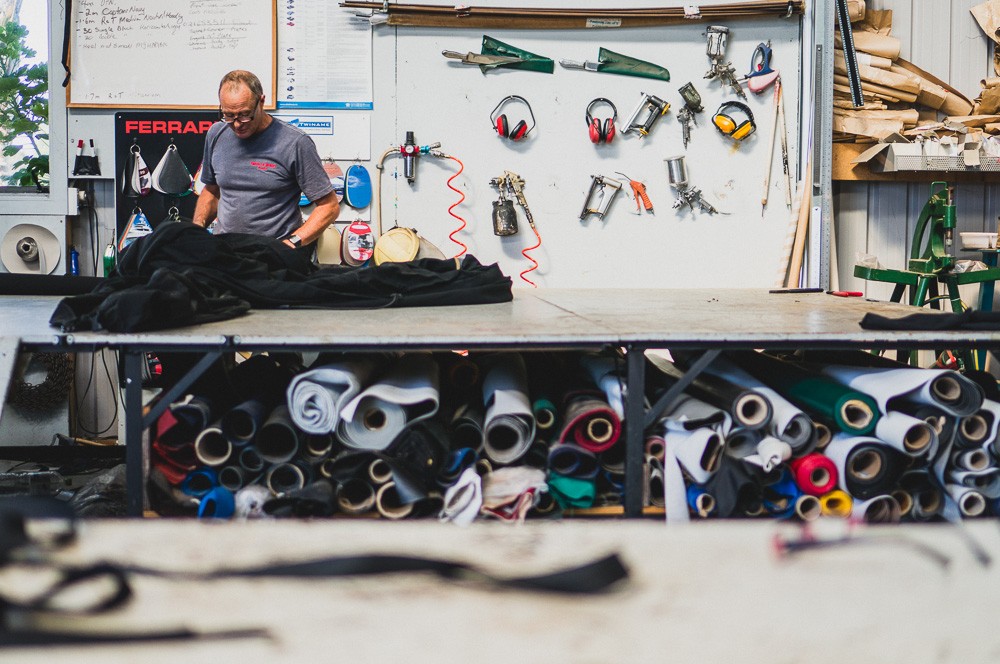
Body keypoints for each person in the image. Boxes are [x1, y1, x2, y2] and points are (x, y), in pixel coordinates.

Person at [193, 70, 339, 251]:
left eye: (245, 114)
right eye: (229, 115)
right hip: (227, 252)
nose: (237, 124)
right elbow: (212, 190)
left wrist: (290, 244)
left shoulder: (295, 142)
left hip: (274, 253)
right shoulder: (217, 134)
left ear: (261, 102)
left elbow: (329, 206)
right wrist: (197, 229)